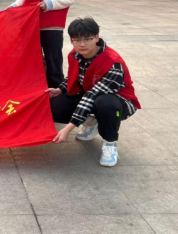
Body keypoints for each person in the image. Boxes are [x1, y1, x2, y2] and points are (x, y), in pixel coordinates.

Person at [47, 18, 141, 167]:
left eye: (87, 39)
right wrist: (60, 89)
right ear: (71, 40)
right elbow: (73, 77)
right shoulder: (74, 55)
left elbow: (92, 95)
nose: (82, 44)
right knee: (53, 106)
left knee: (105, 104)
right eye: (77, 40)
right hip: (89, 95)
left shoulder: (113, 62)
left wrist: (69, 128)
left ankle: (110, 143)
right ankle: (92, 122)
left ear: (96, 37)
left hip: (118, 102)